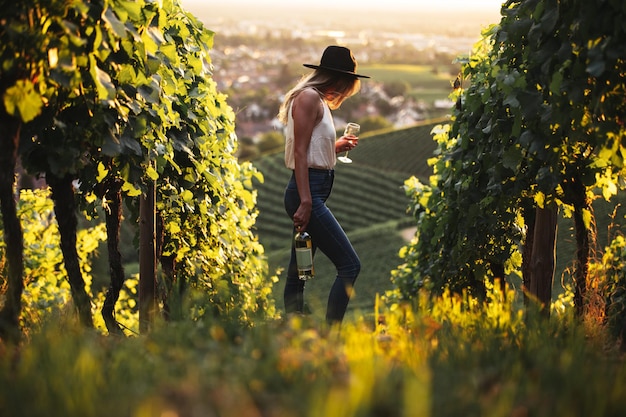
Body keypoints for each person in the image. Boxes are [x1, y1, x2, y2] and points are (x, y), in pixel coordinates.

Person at [277, 45, 369, 325]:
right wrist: (306, 201)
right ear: (338, 78)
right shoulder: (307, 98)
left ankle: (294, 329)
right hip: (308, 192)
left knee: (300, 270)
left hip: (313, 189)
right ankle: (331, 337)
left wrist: (336, 146)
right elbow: (300, 153)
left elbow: (312, 148)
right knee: (350, 265)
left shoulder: (317, 101)